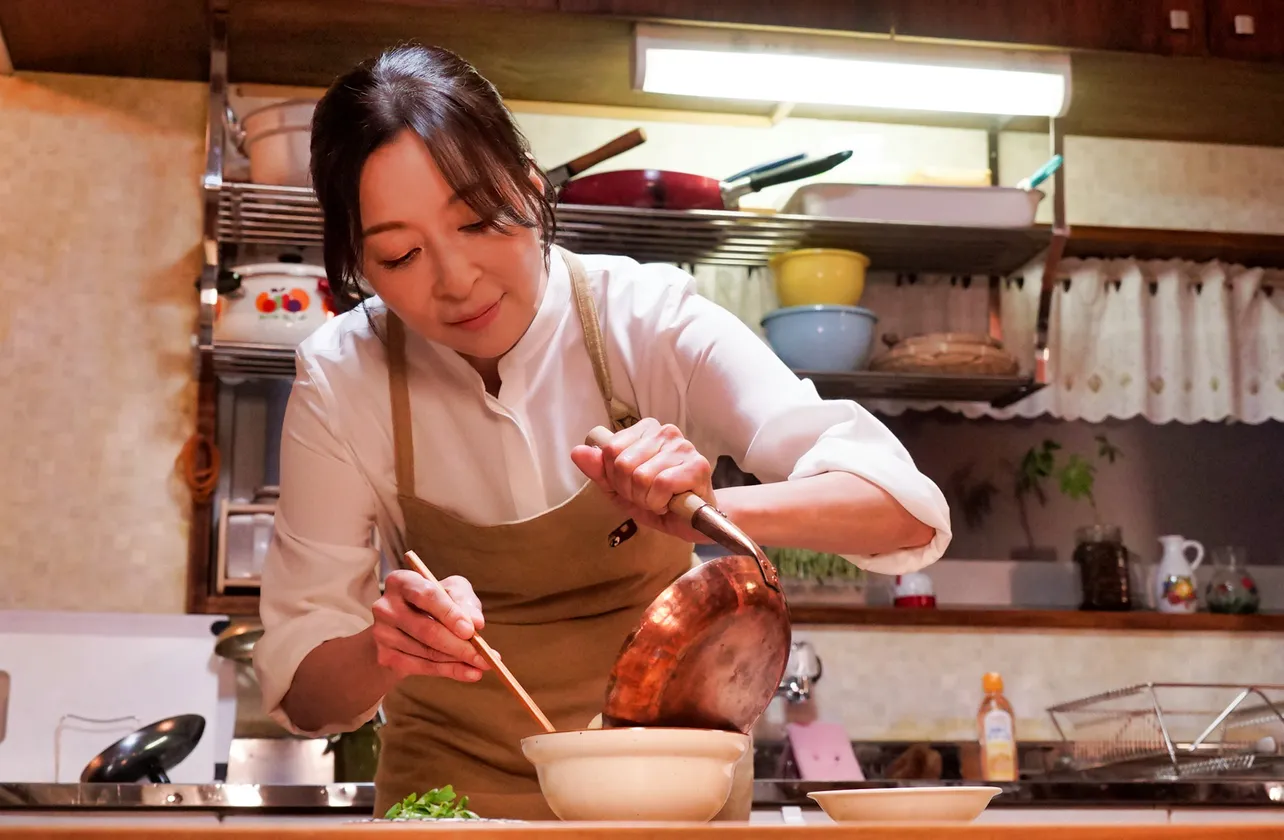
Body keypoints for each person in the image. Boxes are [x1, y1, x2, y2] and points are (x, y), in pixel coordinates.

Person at [254, 43, 951, 821]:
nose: (456, 281)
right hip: (455, 811)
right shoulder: (343, 376)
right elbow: (305, 694)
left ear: (529, 185)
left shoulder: (647, 319)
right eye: (401, 253)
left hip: (667, 803)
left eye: (481, 220)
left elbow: (905, 511)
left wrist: (707, 513)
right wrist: (385, 649)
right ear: (358, 263)